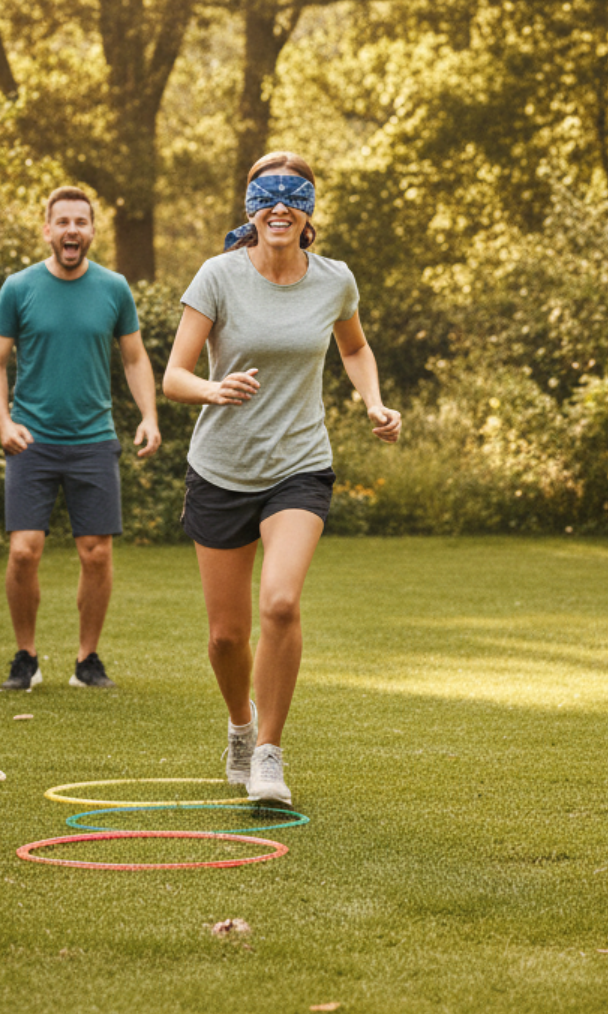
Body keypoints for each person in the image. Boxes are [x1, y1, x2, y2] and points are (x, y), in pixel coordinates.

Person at [162, 152, 400, 804]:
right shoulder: (218, 277)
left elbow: (353, 347)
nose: (279, 205)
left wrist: (373, 400)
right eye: (267, 194)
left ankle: (268, 751)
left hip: (299, 465)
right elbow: (173, 376)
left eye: (293, 195)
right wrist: (213, 389)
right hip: (221, 470)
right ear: (250, 208)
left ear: (308, 211)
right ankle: (240, 725)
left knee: (282, 603)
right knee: (225, 636)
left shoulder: (334, 281)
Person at [0, 186, 161, 692]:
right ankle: (25, 657)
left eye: (81, 222)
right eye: (62, 222)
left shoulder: (114, 288)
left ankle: (87, 660)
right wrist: (4, 423)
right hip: (31, 441)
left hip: (93, 439)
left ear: (91, 232)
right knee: (24, 550)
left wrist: (148, 415)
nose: (71, 231)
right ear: (47, 230)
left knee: (96, 553)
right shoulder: (18, 288)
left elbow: (133, 358)